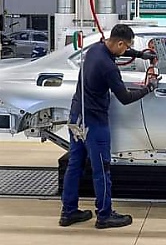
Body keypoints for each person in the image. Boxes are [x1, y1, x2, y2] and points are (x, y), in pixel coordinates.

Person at [60, 24, 159, 229]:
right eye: (126, 47)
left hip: (77, 116)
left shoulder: (95, 49)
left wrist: (141, 54)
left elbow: (119, 50)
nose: (125, 51)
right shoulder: (108, 67)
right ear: (120, 43)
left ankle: (68, 212)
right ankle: (104, 215)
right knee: (101, 169)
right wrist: (149, 88)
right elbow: (124, 97)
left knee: (74, 165)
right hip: (94, 123)